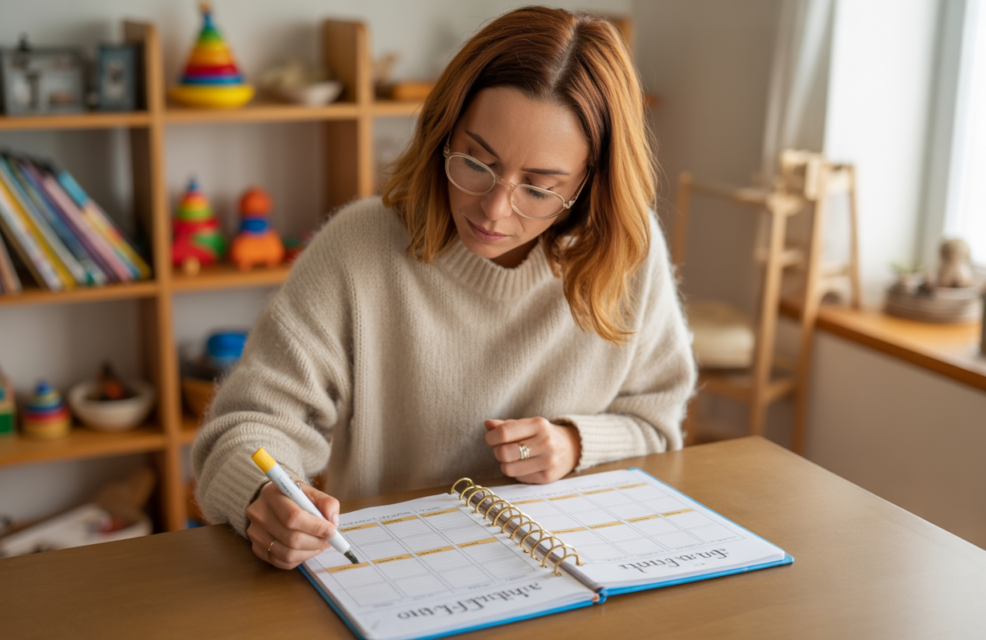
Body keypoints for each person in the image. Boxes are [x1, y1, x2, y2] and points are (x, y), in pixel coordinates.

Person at [192, 6, 696, 571]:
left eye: (538, 188)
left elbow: (657, 425)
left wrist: (576, 443)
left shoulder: (626, 253)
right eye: (477, 161)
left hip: (564, 569)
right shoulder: (358, 248)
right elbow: (245, 429)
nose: (495, 209)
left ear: (588, 185)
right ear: (444, 132)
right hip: (391, 572)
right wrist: (262, 496)